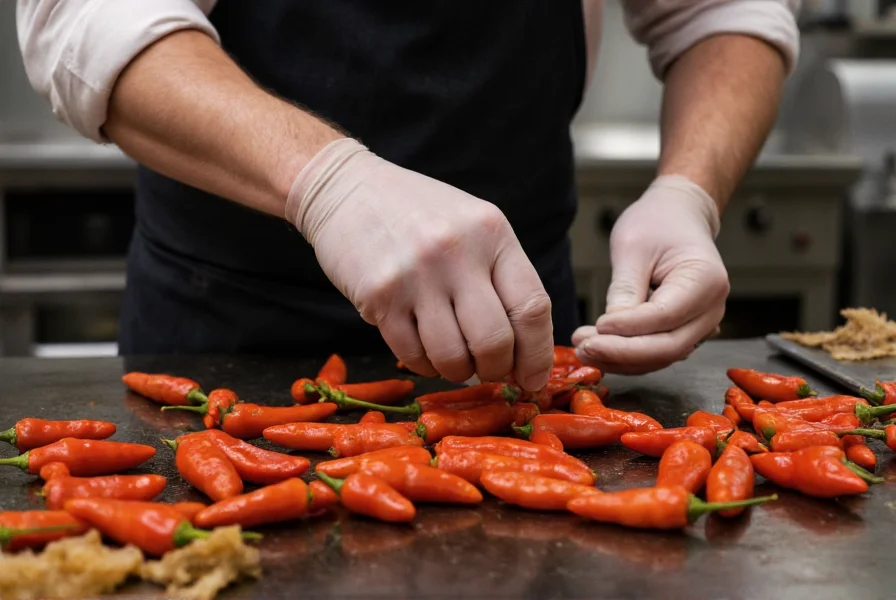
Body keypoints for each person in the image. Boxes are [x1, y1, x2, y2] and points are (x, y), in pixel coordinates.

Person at [17, 0, 799, 391]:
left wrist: (688, 189)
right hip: (229, 323)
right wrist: (329, 184)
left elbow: (722, 12)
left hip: (514, 326)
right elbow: (88, 17)